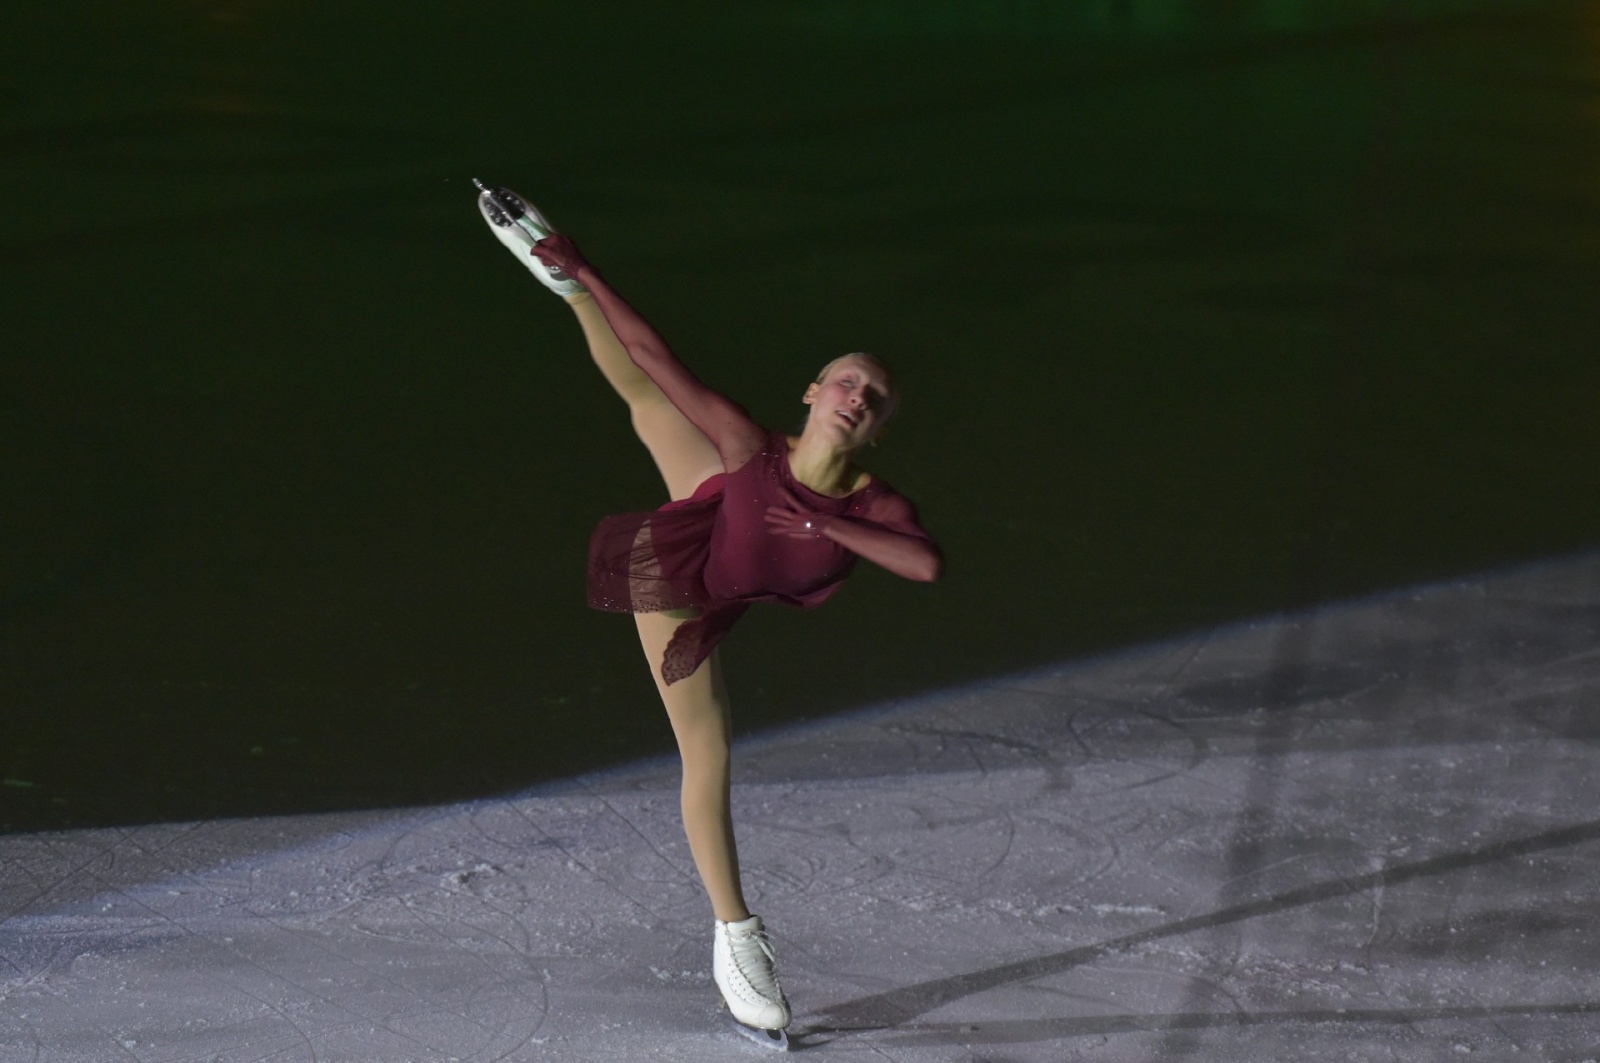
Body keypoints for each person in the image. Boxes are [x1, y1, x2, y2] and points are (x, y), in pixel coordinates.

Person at [476, 188, 942, 1036]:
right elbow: (656, 354)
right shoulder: (747, 444)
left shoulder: (876, 503)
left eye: (873, 398)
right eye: (846, 381)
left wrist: (826, 520)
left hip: (727, 510)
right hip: (682, 568)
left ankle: (574, 294)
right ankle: (736, 934)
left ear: (877, 431)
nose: (857, 396)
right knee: (709, 747)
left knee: (653, 412)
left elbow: (924, 562)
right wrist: (587, 268)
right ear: (811, 391)